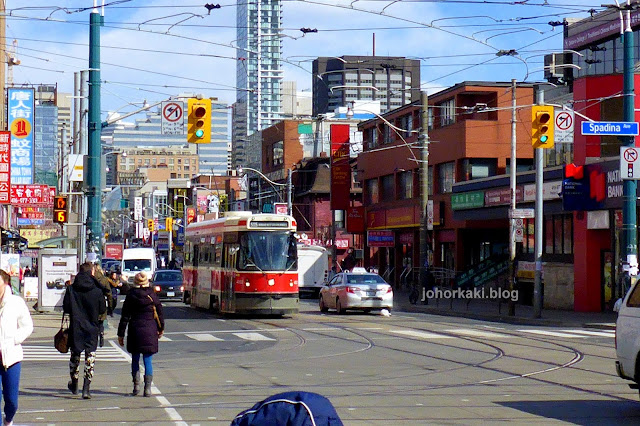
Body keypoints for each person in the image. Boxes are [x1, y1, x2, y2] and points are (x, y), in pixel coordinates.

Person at [63, 261, 107, 399]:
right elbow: (102, 309)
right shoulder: (97, 290)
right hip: (92, 327)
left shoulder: (71, 289)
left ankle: (74, 383)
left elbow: (66, 308)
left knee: (75, 355)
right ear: (91, 272)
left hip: (76, 326)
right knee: (90, 357)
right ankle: (86, 388)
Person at [118, 272, 164, 397]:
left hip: (135, 329)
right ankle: (147, 388)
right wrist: (161, 329)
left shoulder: (131, 295)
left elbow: (125, 316)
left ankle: (136, 385)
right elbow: (160, 314)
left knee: (135, 358)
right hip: (150, 329)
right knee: (148, 360)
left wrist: (120, 334)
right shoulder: (152, 296)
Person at [0, 269, 33, 426]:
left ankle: (9, 419)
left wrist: (15, 339)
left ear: (5, 283)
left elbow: (27, 326)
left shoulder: (16, 302)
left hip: (11, 358)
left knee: (12, 401)